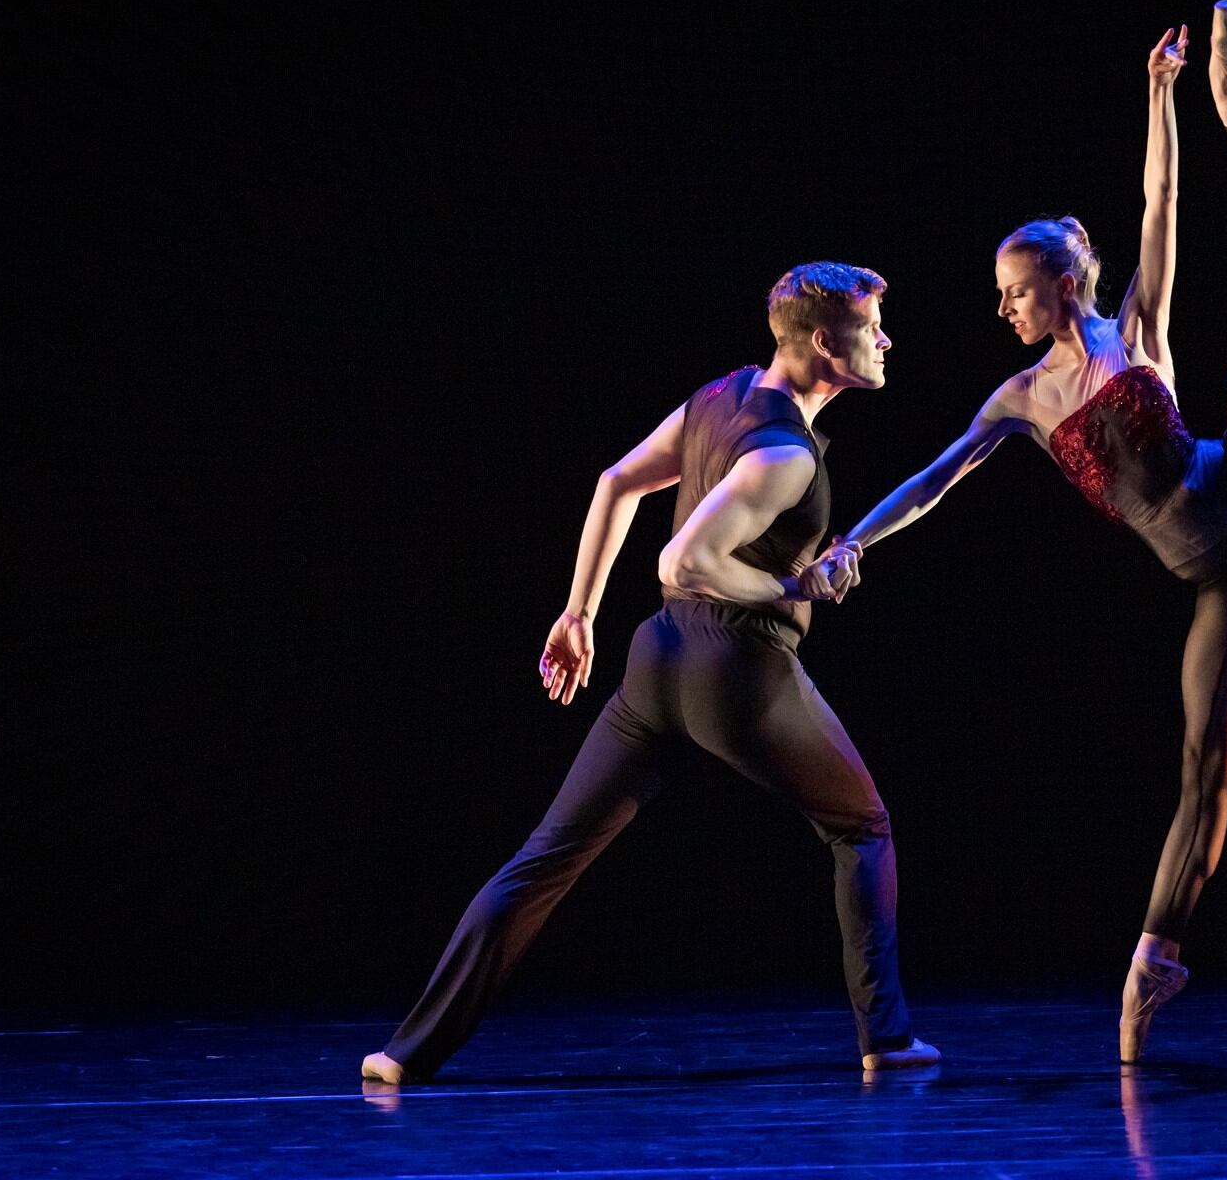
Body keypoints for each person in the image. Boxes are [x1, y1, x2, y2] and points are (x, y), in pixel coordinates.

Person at [839, 3, 1227, 1062]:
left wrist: (1161, 95)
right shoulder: (1017, 400)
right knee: (1204, 767)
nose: (1004, 309)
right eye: (1001, 297)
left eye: (1015, 290)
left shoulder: (1133, 325)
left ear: (1064, 279)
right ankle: (1152, 964)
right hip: (1225, 577)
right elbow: (931, 478)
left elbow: (1159, 199)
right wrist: (851, 543)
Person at [361, 261, 940, 1082]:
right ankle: (885, 1038)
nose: (885, 341)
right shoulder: (784, 456)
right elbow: (683, 559)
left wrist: (578, 612)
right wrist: (788, 586)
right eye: (871, 327)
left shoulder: (722, 395)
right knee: (863, 827)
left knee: (548, 855)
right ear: (822, 342)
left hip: (656, 664)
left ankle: (402, 1053)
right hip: (734, 671)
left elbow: (616, 482)